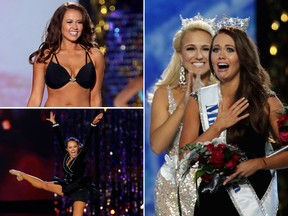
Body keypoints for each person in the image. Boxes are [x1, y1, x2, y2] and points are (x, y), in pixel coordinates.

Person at [179, 16, 288, 216]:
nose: (221, 55)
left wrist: (261, 163)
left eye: (230, 50)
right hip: (211, 204)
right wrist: (217, 126)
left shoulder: (266, 101)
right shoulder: (198, 101)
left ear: (243, 56)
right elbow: (184, 156)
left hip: (254, 202)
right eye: (216, 49)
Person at [149, 13, 217, 216]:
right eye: (191, 49)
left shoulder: (225, 91)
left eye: (206, 49)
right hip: (173, 189)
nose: (198, 55)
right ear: (180, 54)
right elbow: (157, 146)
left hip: (215, 184)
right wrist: (183, 105)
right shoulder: (165, 92)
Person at [9, 111, 103, 216]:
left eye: (75, 147)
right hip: (68, 186)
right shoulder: (67, 155)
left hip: (79, 191)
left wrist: (93, 124)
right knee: (44, 184)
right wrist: (55, 124)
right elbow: (59, 140)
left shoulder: (80, 157)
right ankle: (21, 174)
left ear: (78, 148)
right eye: (70, 147)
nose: (72, 149)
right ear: (67, 149)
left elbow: (88, 141)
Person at [27, 2, 105, 107]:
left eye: (79, 22)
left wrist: (94, 122)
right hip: (51, 119)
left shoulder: (95, 55)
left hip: (82, 119)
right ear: (60, 24)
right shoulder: (45, 57)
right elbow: (35, 99)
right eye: (69, 22)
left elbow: (95, 98)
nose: (75, 27)